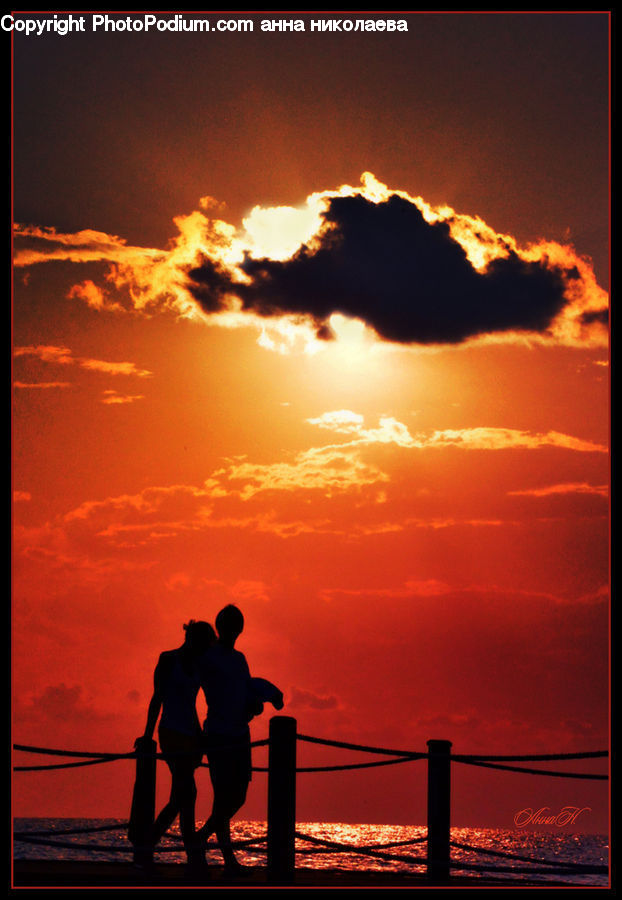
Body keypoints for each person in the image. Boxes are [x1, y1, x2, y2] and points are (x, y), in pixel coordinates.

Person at [197, 605, 283, 873]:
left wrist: (257, 703)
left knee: (238, 796)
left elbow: (245, 692)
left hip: (239, 733)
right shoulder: (208, 656)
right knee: (223, 797)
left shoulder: (240, 658)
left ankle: (202, 840)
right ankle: (225, 857)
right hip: (219, 734)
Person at [135, 620, 216, 868]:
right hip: (171, 733)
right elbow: (157, 698)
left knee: (183, 796)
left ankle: (150, 847)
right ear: (192, 639)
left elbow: (206, 698)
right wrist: (148, 735)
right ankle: (185, 854)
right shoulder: (168, 659)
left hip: (192, 736)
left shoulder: (200, 664)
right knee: (187, 793)